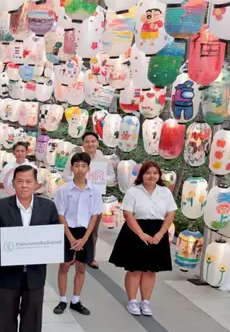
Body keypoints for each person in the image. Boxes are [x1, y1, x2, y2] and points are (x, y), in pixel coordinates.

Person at [0, 165, 60, 332]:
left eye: (28, 181)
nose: (24, 185)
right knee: (7, 313)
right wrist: (12, 243)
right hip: (9, 271)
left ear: (36, 184)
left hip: (35, 272)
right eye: (20, 181)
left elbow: (55, 235)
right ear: (13, 183)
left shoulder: (47, 207)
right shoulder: (1, 206)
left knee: (32, 314)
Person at [108, 160, 176, 317]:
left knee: (151, 270)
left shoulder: (165, 192)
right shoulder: (133, 192)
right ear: (142, 175)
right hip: (135, 231)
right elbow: (127, 214)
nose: (151, 176)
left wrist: (160, 234)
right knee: (135, 269)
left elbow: (170, 214)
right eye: (148, 173)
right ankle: (132, 300)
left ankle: (146, 301)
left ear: (159, 175)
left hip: (157, 231)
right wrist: (141, 234)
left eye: (154, 173)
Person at [53, 153, 103, 316]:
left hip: (85, 232)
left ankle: (76, 300)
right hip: (67, 230)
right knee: (64, 266)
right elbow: (60, 214)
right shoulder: (63, 190)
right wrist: (71, 237)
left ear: (88, 168)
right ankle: (62, 299)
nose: (80, 170)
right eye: (77, 166)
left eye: (83, 166)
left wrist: (85, 238)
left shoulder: (94, 191)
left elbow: (94, 215)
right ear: (71, 167)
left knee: (81, 267)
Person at [65, 131, 115, 269]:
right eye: (87, 141)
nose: (90, 144)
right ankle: (73, 255)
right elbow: (65, 176)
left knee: (92, 229)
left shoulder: (104, 160)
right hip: (75, 198)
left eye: (93, 141)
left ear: (98, 143)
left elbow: (111, 177)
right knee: (74, 227)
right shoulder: (75, 159)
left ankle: (90, 257)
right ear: (83, 144)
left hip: (94, 199)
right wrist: (80, 180)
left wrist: (100, 180)